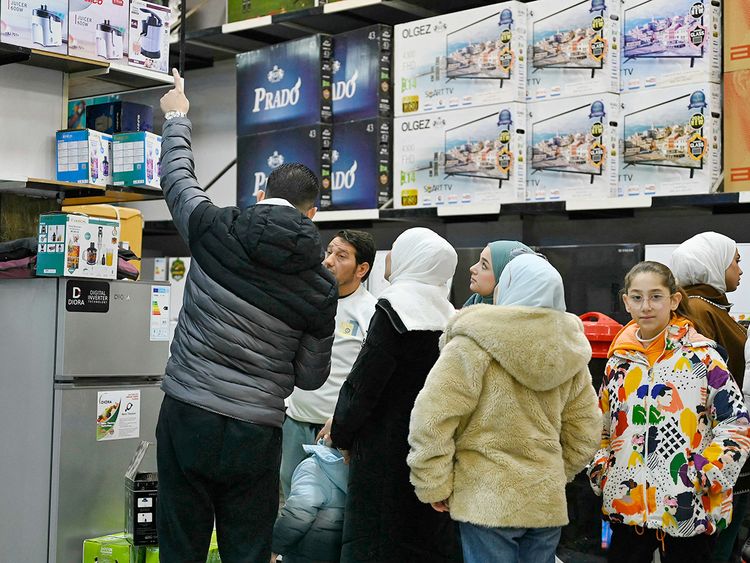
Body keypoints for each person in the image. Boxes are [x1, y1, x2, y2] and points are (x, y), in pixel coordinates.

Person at [156, 69, 338, 562]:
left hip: (186, 413)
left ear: (261, 193)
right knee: (248, 548)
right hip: (255, 432)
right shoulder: (320, 286)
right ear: (312, 213)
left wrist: (177, 117)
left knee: (180, 542)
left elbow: (176, 179)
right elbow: (310, 376)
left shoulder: (213, 228)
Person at [407, 253, 601, 563]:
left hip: (486, 501)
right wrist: (554, 472)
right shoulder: (570, 350)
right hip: (545, 504)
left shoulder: (472, 342)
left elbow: (432, 418)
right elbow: (587, 431)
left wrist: (435, 481)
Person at [587, 261, 750, 563]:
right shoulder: (618, 363)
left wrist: (704, 474)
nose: (646, 306)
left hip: (687, 509)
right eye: (637, 297)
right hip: (626, 506)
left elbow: (735, 424)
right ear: (626, 302)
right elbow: (599, 426)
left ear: (674, 300)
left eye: (656, 296)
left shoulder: (703, 358)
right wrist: (602, 471)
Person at [330, 227, 463, 563]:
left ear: (411, 259)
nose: (388, 257)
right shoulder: (450, 316)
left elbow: (363, 386)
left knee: (377, 544)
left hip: (382, 454)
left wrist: (342, 434)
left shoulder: (394, 310)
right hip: (432, 453)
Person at [280, 230, 377, 499]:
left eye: (341, 255)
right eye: (329, 252)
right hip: (295, 420)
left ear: (362, 269)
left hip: (335, 428)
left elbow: (369, 378)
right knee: (291, 501)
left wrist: (346, 423)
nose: (328, 261)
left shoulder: (371, 312)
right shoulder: (306, 300)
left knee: (331, 509)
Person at [671, 232, 749, 563]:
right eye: (736, 260)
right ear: (712, 263)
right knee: (717, 543)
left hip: (717, 442)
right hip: (715, 445)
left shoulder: (708, 307)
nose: (741, 269)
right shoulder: (699, 311)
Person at [271, 439, 349, 563]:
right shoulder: (362, 470)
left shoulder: (314, 466)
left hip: (306, 553)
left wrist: (274, 549)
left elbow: (297, 514)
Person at [463, 240, 533, 306]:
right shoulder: (473, 303)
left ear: (505, 277)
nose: (472, 269)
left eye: (484, 265)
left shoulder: (512, 318)